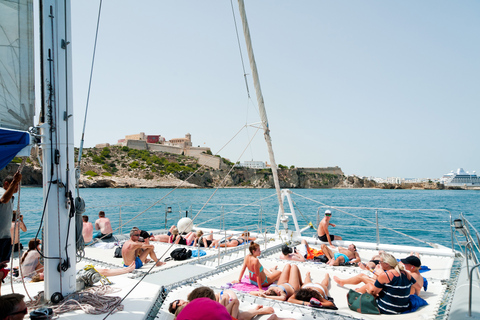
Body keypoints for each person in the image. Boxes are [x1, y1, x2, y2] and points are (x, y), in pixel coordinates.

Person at [0, 172, 22, 295]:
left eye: (18, 186)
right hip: (0, 237)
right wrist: (14, 181)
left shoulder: (11, 197)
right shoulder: (1, 192)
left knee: (1, 269)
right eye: (15, 185)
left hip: (5, 237)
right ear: (6, 184)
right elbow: (3, 200)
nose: (17, 188)